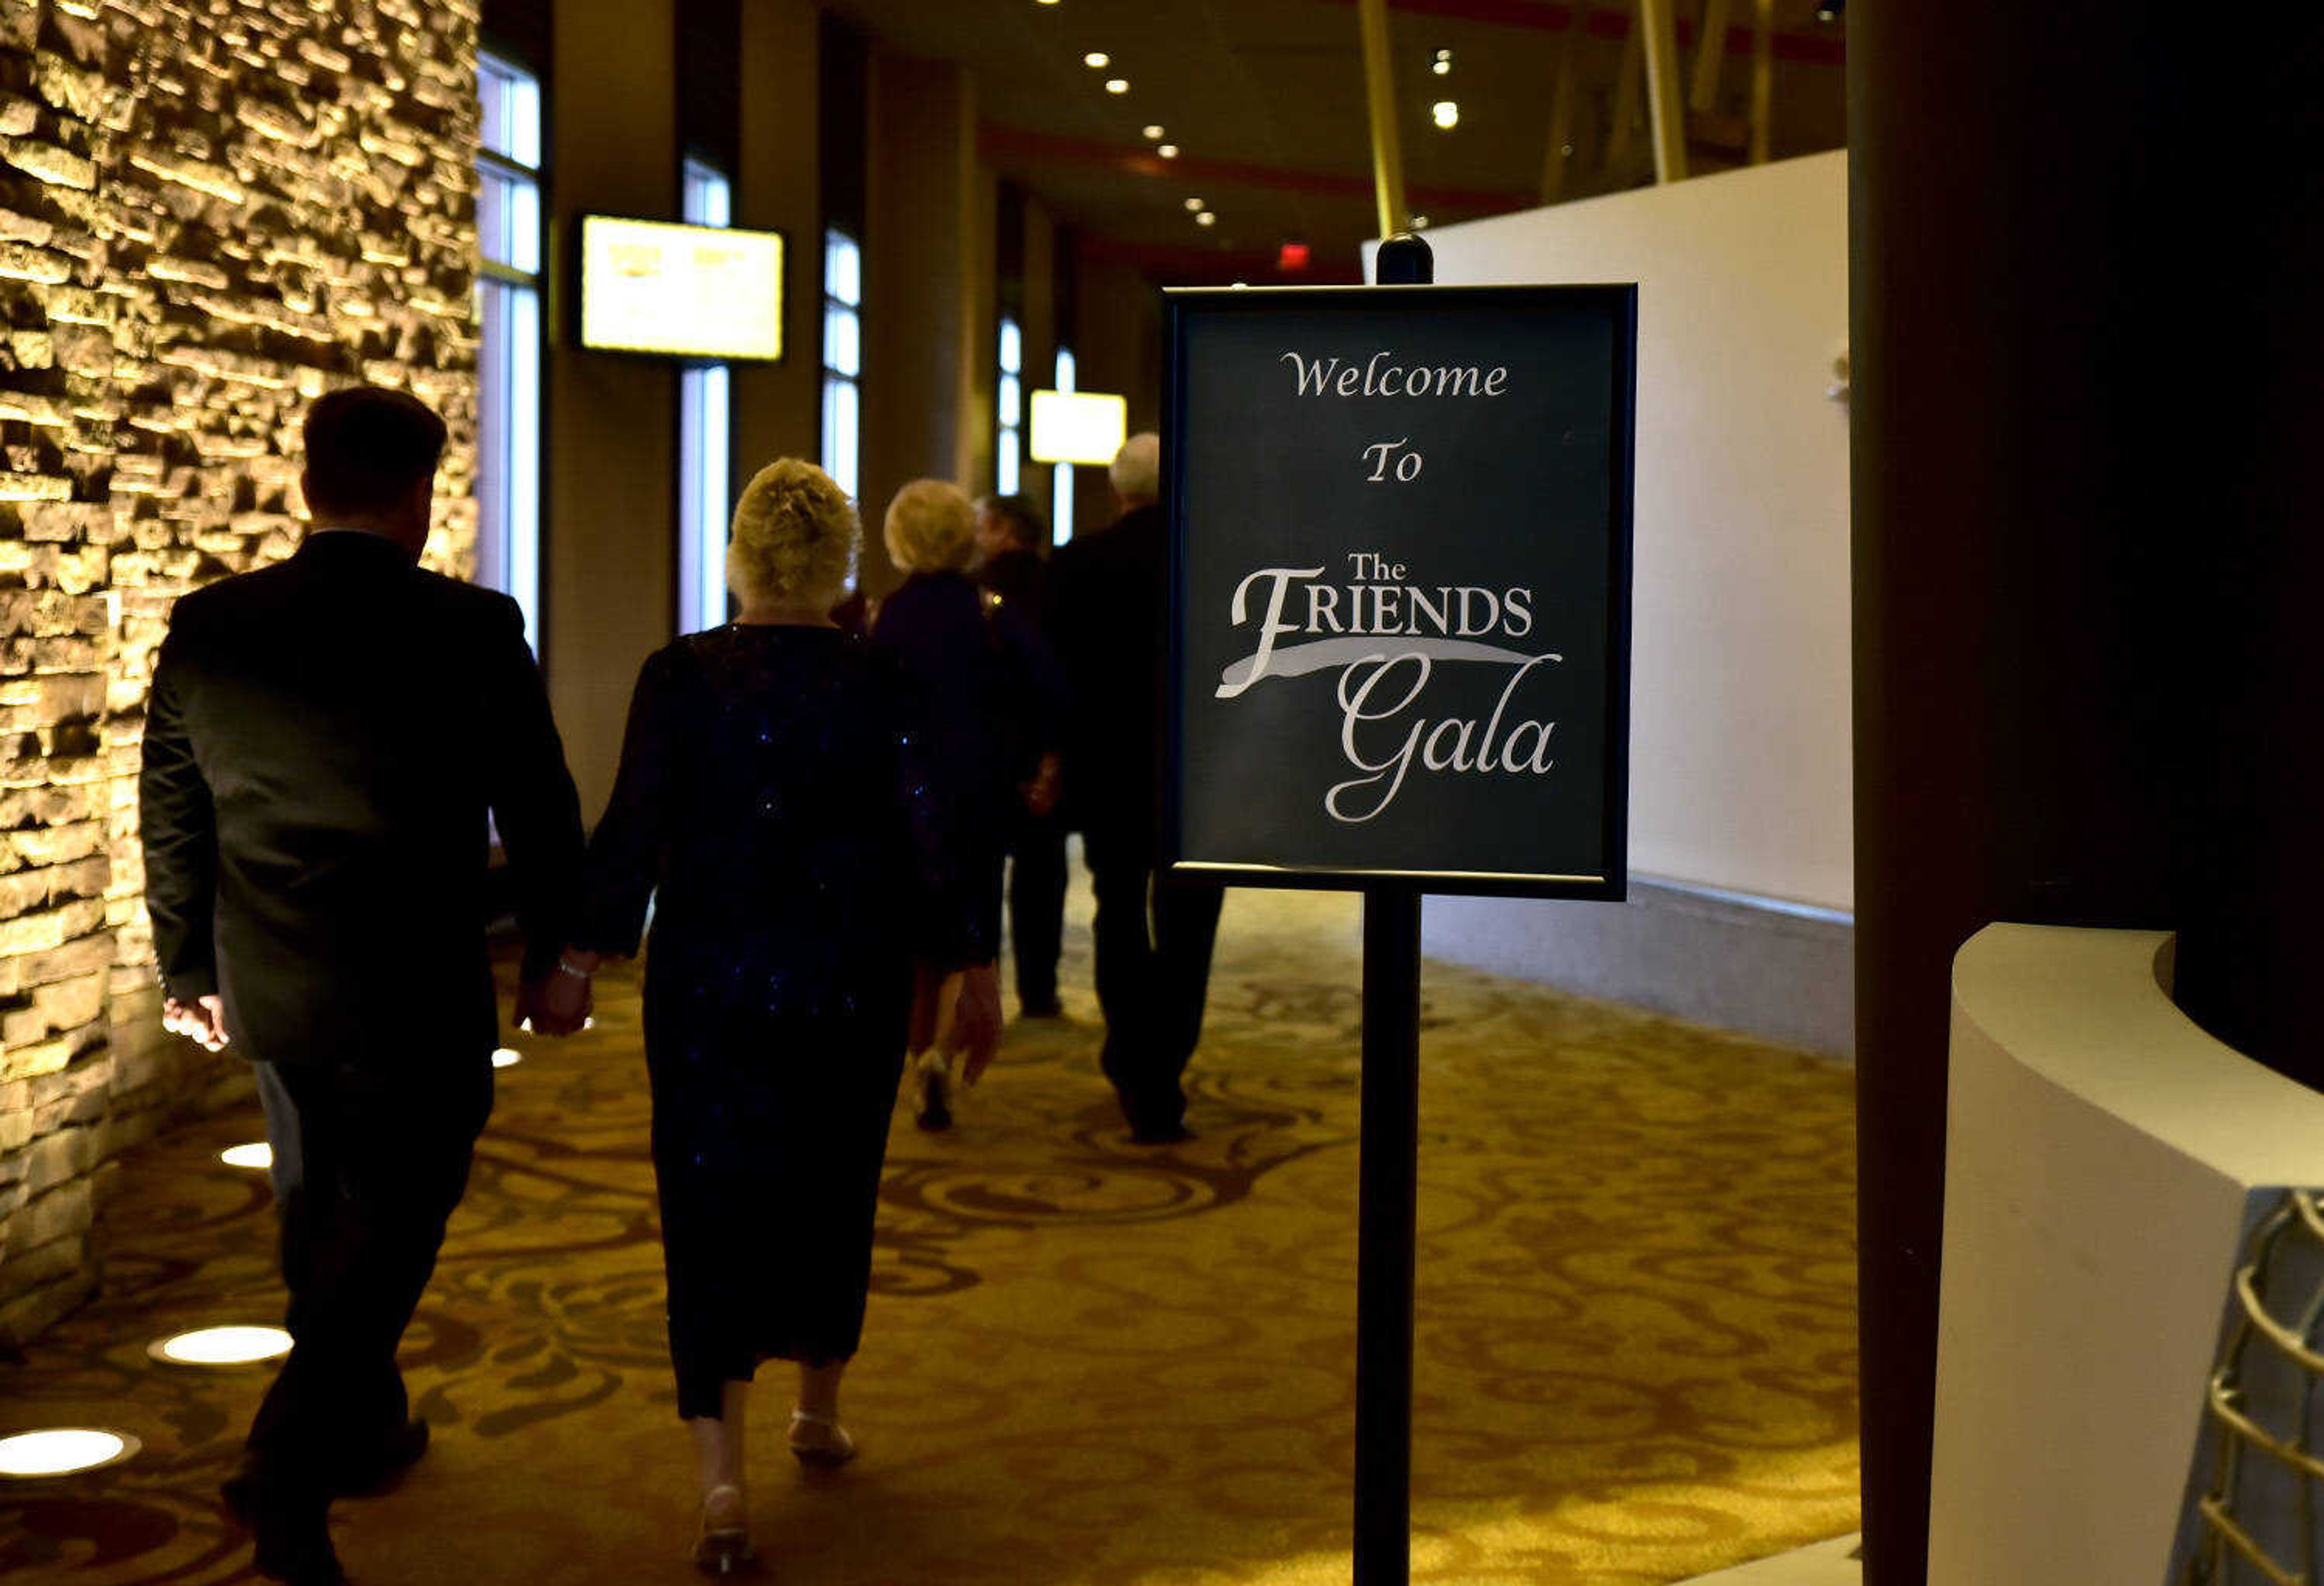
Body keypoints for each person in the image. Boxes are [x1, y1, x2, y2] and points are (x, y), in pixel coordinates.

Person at [137, 385, 590, 1586]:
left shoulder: (212, 624)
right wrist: (561, 952)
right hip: (419, 984)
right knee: (389, 1222)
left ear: (305, 487)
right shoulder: (474, 626)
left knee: (320, 1207)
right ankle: (284, 1470)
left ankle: (372, 1423)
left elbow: (174, 807)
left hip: (272, 982)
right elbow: (539, 806)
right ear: (419, 496)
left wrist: (189, 961)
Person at [562, 459, 1002, 1575]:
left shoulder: (682, 674)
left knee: (706, 1199)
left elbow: (636, 829)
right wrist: (970, 962)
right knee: (830, 1183)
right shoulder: (880, 679)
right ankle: (817, 1410)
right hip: (845, 980)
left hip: (708, 978)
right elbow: (928, 832)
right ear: (843, 564)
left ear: (742, 557)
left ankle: (722, 1488)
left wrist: (575, 953)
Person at [1046, 433, 1225, 1144]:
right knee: (1189, 924)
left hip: (1109, 768)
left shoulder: (1075, 561)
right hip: (1196, 770)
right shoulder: (1208, 557)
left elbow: (1057, 677)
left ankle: (1129, 1055)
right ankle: (1163, 1066)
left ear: (1118, 489)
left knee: (1116, 908)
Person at [873, 479, 1062, 1129]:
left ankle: (921, 1046)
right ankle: (941, 1056)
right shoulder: (992, 608)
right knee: (970, 932)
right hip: (981, 794)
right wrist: (1044, 762)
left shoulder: (886, 617)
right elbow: (1051, 687)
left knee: (917, 938)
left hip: (904, 800)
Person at [974, 493, 1069, 1020]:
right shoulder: (1061, 584)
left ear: (1005, 530)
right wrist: (1054, 758)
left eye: (984, 526)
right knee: (1042, 877)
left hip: (991, 752)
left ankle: (980, 986)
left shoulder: (977, 592)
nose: (979, 537)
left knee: (983, 876)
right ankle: (1040, 990)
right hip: (1044, 748)